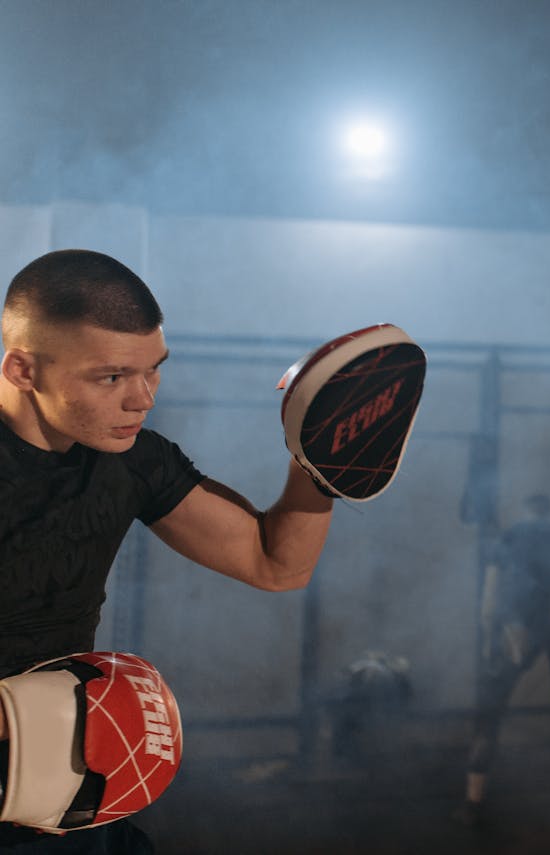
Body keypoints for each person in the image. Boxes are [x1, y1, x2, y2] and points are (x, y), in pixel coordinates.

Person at [0, 249, 337, 852]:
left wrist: (319, 459)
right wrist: (28, 719)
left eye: (154, 369)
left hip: (67, 798)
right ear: (23, 369)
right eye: (111, 377)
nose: (143, 398)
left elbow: (276, 564)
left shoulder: (132, 459)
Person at [455, 493, 550, 826]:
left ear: (526, 510)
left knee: (491, 707)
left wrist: (491, 636)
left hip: (522, 623)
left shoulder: (512, 534)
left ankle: (474, 802)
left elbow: (490, 596)